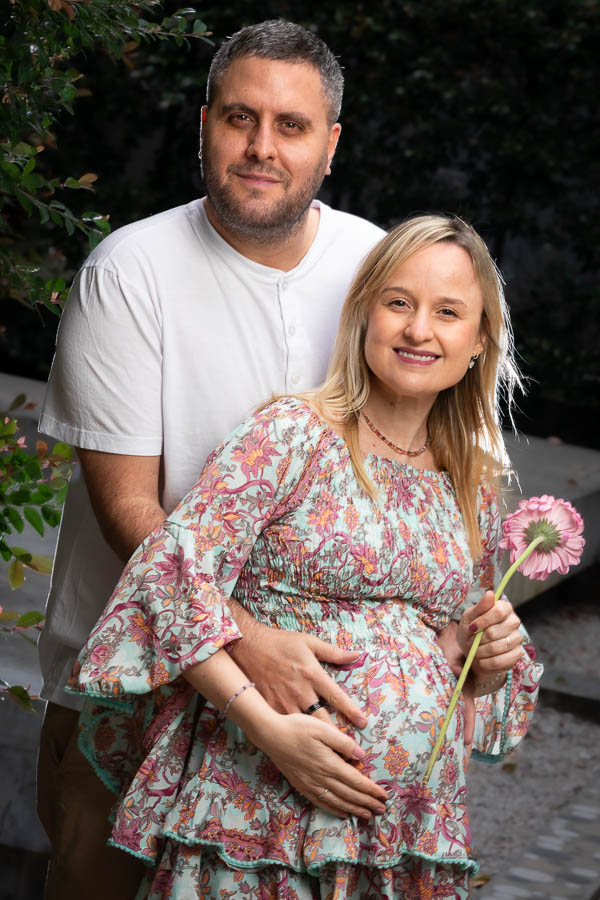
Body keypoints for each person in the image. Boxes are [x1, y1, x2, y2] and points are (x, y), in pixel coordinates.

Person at [68, 214, 543, 899]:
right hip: (255, 817)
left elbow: (443, 665)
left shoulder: (468, 483)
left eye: (447, 312)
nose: (418, 330)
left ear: (477, 344)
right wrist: (267, 729)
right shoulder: (293, 434)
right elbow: (165, 577)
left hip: (394, 842)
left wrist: (477, 655)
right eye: (399, 303)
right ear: (364, 315)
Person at [36, 19, 394, 899]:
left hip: (302, 698)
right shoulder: (130, 273)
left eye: (291, 125)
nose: (261, 147)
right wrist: (245, 643)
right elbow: (132, 511)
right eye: (240, 118)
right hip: (126, 684)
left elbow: (414, 471)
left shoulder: (378, 269)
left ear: (331, 143)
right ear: (205, 125)